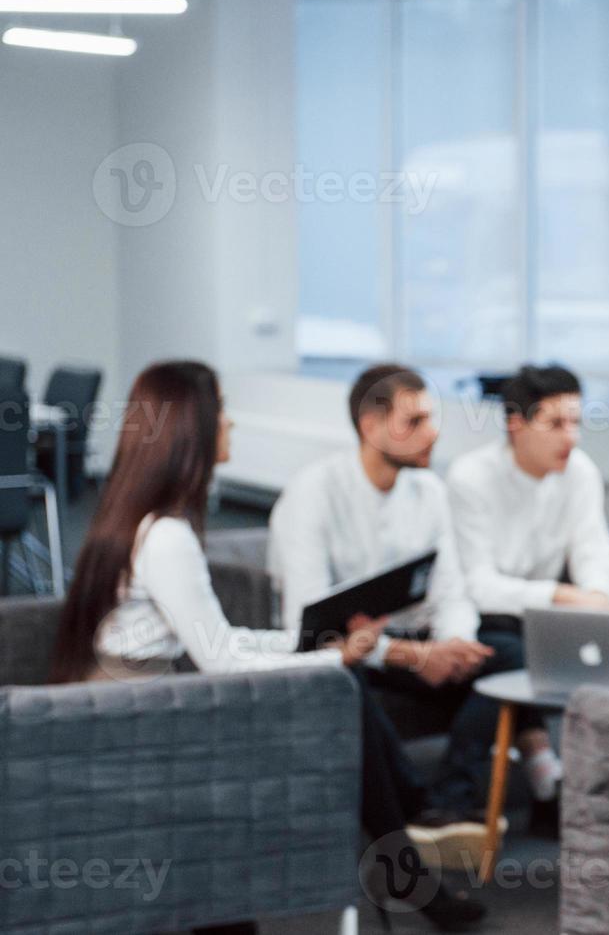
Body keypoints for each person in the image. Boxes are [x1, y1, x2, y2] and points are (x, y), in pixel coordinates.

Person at [48, 361, 485, 932]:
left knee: (341, 682)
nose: (232, 424)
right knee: (339, 689)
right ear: (194, 429)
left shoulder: (139, 520)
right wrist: (329, 657)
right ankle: (406, 847)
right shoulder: (169, 537)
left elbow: (216, 641)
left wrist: (319, 647)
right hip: (148, 731)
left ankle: (403, 848)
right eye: (223, 411)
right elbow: (222, 660)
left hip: (143, 709)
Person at [268, 363, 535, 831]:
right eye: (414, 422)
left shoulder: (429, 490)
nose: (431, 434)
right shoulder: (314, 492)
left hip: (413, 639)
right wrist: (413, 655)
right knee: (347, 679)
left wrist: (452, 646)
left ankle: (450, 801)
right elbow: (307, 627)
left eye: (431, 419)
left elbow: (452, 590)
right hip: (339, 652)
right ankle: (416, 807)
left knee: (510, 651)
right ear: (370, 427)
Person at [445, 364, 609, 827]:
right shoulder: (471, 477)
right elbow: (477, 585)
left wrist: (599, 599)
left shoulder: (579, 473)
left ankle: (573, 785)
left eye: (576, 422)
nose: (571, 437)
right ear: (516, 424)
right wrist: (565, 596)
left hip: (544, 615)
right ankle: (461, 790)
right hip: (484, 615)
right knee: (516, 654)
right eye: (555, 424)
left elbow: (596, 554)